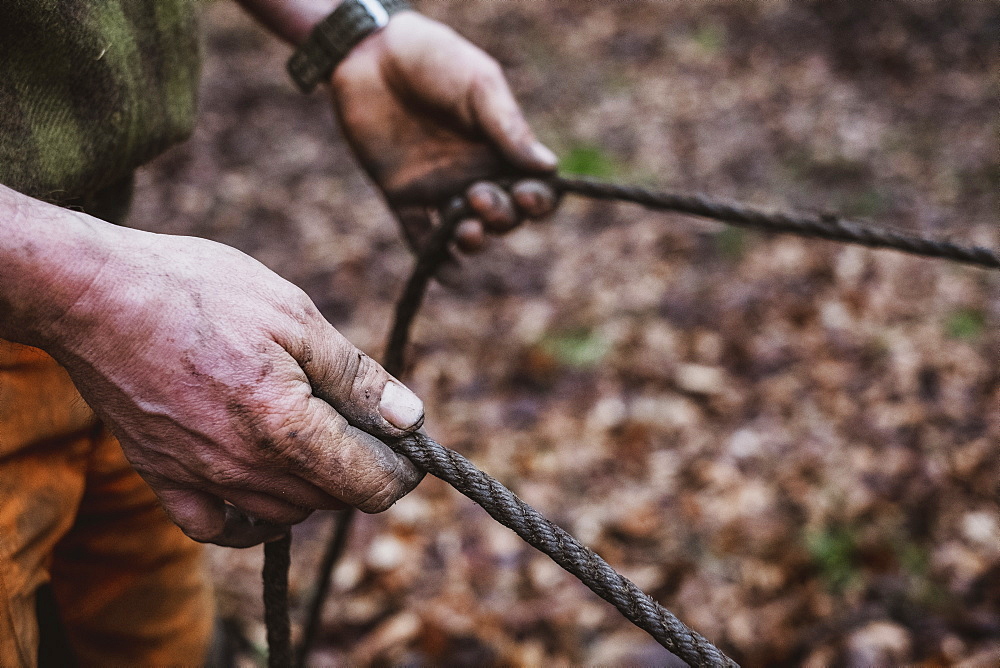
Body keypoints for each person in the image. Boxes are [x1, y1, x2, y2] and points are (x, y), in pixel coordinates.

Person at [0, 0, 559, 664]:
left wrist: (352, 31)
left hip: (96, 286)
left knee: (165, 643)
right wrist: (87, 294)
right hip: (80, 298)